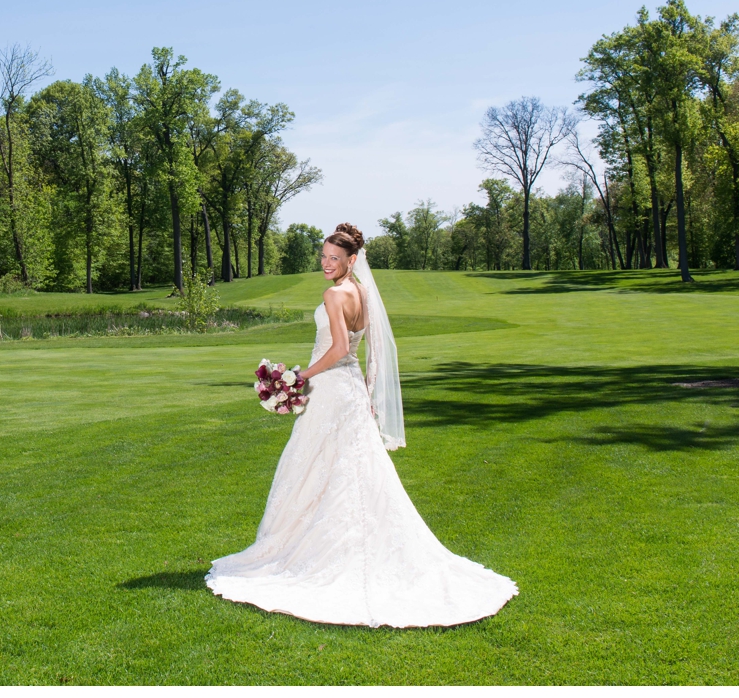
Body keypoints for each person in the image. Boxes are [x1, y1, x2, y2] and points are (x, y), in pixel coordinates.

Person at [205, 222, 518, 627]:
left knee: (316, 464)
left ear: (352, 260)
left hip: (333, 387)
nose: (326, 263)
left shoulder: (335, 294)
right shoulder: (363, 293)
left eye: (334, 258)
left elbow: (337, 349)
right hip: (351, 389)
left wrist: (299, 378)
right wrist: (356, 390)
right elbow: (359, 349)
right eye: (323, 256)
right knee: (351, 467)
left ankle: (317, 553)